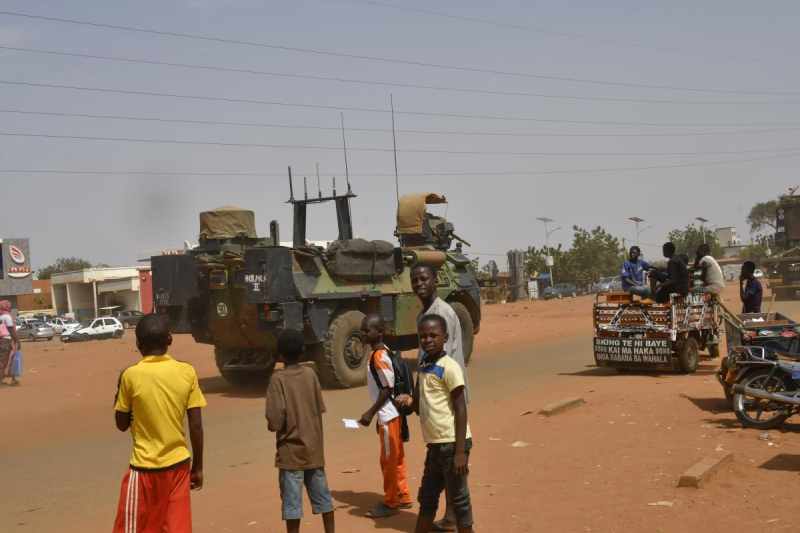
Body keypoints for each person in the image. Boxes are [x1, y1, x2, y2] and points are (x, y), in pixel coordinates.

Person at [112, 314, 206, 532]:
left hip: (144, 468)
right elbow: (196, 426)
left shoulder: (130, 375)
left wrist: (120, 391)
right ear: (170, 340)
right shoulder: (186, 372)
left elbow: (121, 423)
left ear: (138, 344)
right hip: (179, 468)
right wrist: (198, 467)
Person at [397, 314, 474, 533]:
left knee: (459, 500)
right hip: (435, 445)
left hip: (453, 444)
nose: (428, 340)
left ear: (445, 337)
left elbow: (460, 408)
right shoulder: (423, 366)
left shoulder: (449, 367)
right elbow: (420, 405)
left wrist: (460, 452)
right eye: (423, 336)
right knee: (428, 496)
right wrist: (408, 402)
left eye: (433, 335)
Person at [411, 264, 468, 531]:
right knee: (440, 473)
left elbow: (451, 360)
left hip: (448, 401)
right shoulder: (424, 314)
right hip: (434, 403)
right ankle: (449, 517)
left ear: (435, 281)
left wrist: (444, 397)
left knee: (454, 473)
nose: (419, 283)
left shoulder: (443, 313)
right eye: (415, 280)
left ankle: (454, 518)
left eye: (424, 279)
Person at [266, 329, 335, 533]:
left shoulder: (277, 380)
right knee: (324, 500)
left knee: (292, 506)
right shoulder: (311, 374)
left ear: (279, 354)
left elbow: (275, 422)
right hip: (313, 451)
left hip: (291, 454)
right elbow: (318, 408)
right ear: (303, 351)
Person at [358, 314, 413, 518]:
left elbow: (387, 389)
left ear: (379, 332)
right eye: (362, 330)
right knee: (397, 457)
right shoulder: (384, 352)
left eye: (367, 330)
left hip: (388, 416)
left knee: (388, 460)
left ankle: (391, 502)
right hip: (392, 415)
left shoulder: (378, 357)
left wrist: (370, 413)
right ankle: (403, 494)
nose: (363, 333)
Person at [0, 300, 19, 386]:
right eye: (8, 305)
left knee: (6, 360)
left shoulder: (1, 316)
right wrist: (17, 340)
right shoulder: (6, 316)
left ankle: (12, 379)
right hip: (6, 340)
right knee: (5, 361)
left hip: (3, 340)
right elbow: (11, 330)